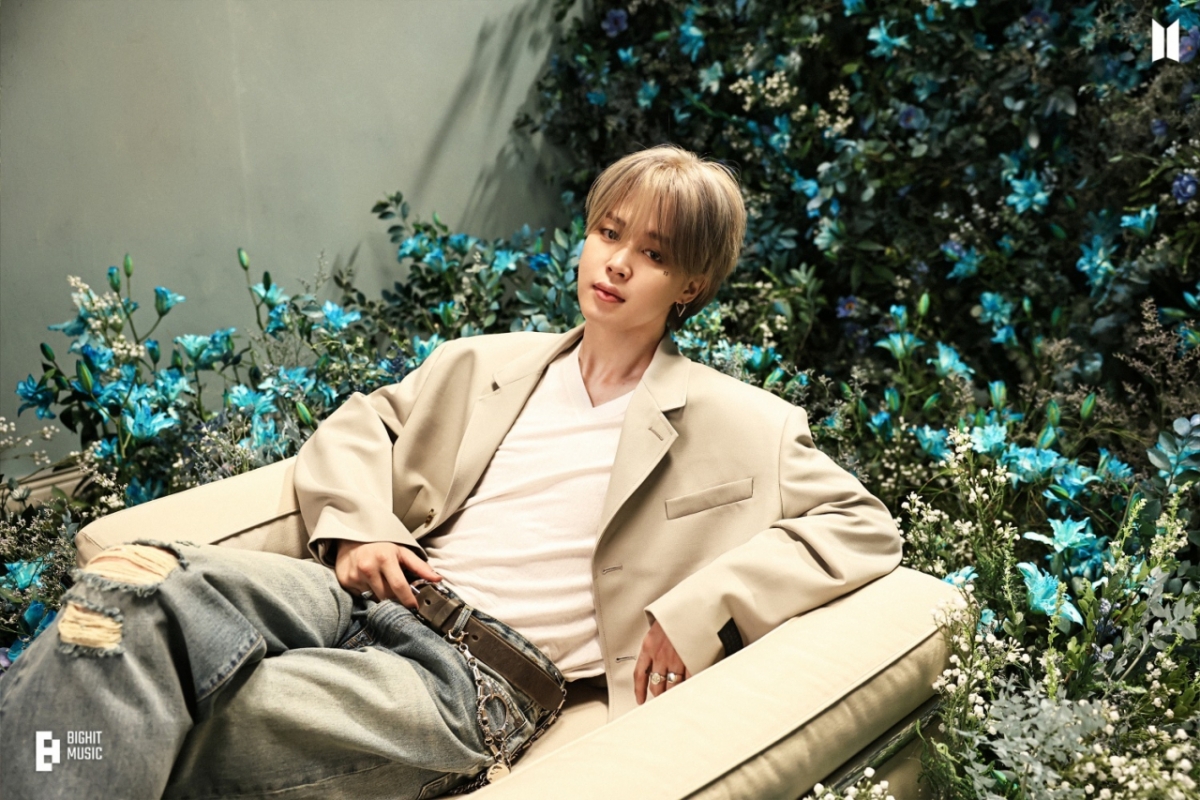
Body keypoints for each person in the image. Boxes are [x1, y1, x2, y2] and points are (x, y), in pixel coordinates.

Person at [0, 144, 901, 799]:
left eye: (655, 254)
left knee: (168, 724)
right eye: (608, 232)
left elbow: (864, 527)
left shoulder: (740, 421)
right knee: (129, 587)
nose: (618, 262)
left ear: (690, 286)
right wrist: (361, 528)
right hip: (364, 601)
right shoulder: (486, 363)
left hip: (474, 681)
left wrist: (699, 607)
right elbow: (363, 423)